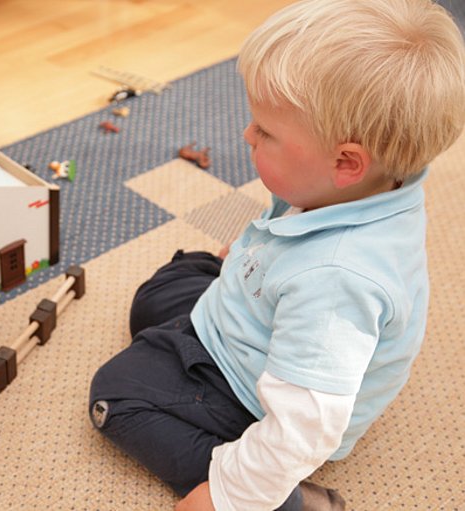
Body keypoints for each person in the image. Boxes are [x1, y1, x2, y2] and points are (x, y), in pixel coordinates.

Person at [88, 0, 465, 510]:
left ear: (346, 162)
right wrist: (248, 257)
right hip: (258, 315)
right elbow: (290, 227)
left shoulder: (337, 280)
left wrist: (228, 495)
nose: (247, 134)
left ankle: (289, 500)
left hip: (257, 390)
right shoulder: (357, 185)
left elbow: (305, 423)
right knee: (160, 294)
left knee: (116, 393)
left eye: (265, 132)